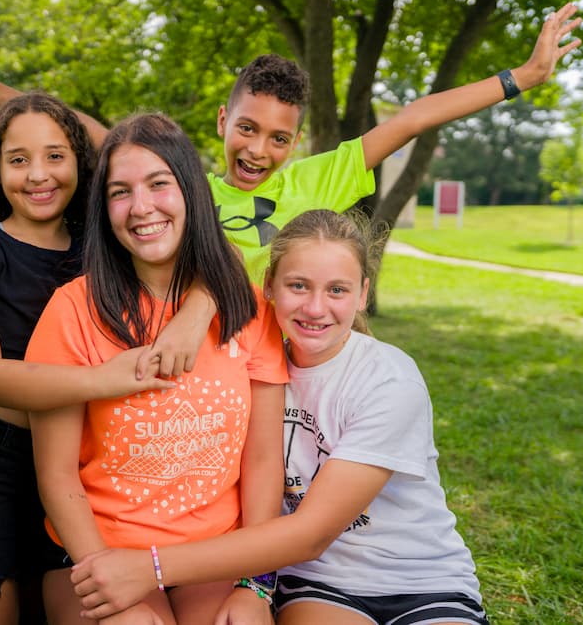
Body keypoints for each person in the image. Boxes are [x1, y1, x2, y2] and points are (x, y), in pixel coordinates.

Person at [0, 3, 582, 283]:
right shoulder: (187, 180)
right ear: (222, 121)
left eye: (279, 138)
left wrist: (520, 78)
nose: (258, 149)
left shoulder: (318, 178)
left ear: (297, 141)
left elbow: (412, 118)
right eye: (246, 128)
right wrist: (3, 97)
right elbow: (104, 137)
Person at [68, 209, 491, 625]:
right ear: (268, 285)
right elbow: (225, 252)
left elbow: (311, 534)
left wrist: (150, 568)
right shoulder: (252, 363)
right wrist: (198, 310)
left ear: (363, 293)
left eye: (337, 291)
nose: (315, 307)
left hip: (421, 580)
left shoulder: (388, 381)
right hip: (318, 582)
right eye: (298, 285)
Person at [0, 92, 212, 625]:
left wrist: (198, 309)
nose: (39, 174)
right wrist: (101, 383)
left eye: (56, 154)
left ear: (80, 162)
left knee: (73, 594)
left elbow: (205, 239)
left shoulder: (102, 242)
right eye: (18, 159)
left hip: (92, 468)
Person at [24, 113, 289, 624]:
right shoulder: (73, 309)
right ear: (104, 209)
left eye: (158, 184)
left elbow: (261, 463)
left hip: (211, 555)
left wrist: (255, 585)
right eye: (120, 192)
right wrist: (101, 569)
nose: (141, 207)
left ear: (190, 189)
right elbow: (57, 477)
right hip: (97, 549)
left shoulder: (249, 310)